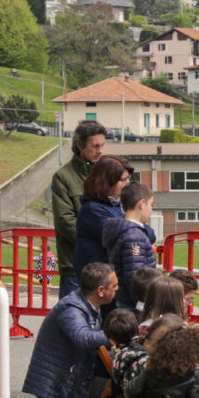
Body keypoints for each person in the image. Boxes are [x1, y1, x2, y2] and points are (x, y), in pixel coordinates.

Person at [26, 262, 118, 398]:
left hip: (70, 375)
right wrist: (118, 336)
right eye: (114, 286)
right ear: (101, 291)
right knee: (117, 393)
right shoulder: (72, 308)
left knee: (113, 388)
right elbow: (83, 338)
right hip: (56, 383)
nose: (117, 289)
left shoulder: (85, 304)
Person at [49, 121, 107, 293]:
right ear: (80, 145)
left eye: (103, 145)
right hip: (75, 269)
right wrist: (101, 242)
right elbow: (65, 221)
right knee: (73, 319)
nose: (100, 151)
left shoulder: (105, 174)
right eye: (95, 146)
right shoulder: (63, 177)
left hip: (105, 269)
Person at [104, 181, 158, 311]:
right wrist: (143, 304)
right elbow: (134, 276)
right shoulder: (134, 237)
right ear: (142, 203)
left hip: (126, 301)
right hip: (133, 305)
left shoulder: (127, 231)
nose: (151, 210)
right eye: (151, 205)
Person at [72, 157, 127, 277]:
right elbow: (123, 237)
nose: (127, 183)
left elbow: (150, 234)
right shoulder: (92, 210)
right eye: (123, 180)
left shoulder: (120, 205)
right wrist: (137, 224)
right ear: (108, 182)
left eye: (128, 178)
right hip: (99, 283)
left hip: (111, 279)